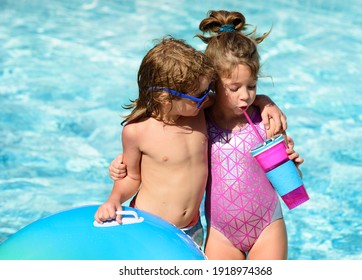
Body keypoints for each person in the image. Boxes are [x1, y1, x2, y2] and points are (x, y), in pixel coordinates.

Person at [103, 35, 290, 248]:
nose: (206, 97)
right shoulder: (136, 132)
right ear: (165, 98)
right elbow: (131, 177)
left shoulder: (198, 110)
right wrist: (114, 199)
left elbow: (230, 97)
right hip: (152, 224)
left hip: (193, 228)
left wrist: (266, 102)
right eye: (200, 95)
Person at [194, 10, 304, 259]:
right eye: (234, 88)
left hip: (268, 228)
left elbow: (287, 177)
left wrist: (292, 166)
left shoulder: (265, 120)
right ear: (213, 83)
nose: (246, 95)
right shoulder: (201, 120)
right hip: (221, 235)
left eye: (253, 86)